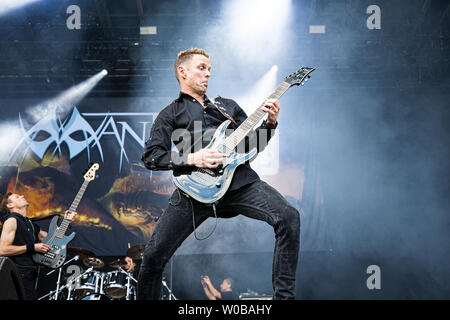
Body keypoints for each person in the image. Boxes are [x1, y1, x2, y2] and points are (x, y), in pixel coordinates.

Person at [138, 48, 300, 300]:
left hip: (239, 183)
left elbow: (250, 148)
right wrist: (193, 158)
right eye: (201, 68)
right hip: (193, 191)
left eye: (210, 69)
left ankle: (284, 298)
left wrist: (269, 124)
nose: (208, 74)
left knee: (289, 217)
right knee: (151, 258)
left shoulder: (227, 107)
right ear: (182, 72)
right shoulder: (170, 114)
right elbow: (151, 156)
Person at [0, 192, 76, 300]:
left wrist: (66, 222)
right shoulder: (12, 220)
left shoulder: (30, 224)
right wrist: (33, 247)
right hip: (16, 275)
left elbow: (54, 240)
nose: (22, 196)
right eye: (17, 197)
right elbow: (2, 250)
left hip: (28, 275)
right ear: (10, 205)